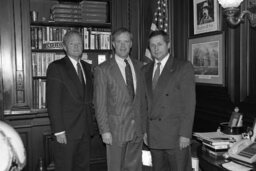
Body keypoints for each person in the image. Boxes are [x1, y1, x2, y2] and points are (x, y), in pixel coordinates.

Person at [94, 27, 147, 171]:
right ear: (113, 44)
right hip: (115, 132)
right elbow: (100, 104)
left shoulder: (141, 67)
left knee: (135, 168)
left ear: (131, 44)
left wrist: (145, 129)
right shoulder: (103, 69)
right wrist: (104, 130)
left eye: (126, 41)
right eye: (119, 42)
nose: (123, 45)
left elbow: (143, 102)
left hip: (137, 131)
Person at [143, 30, 196, 171]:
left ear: (168, 45)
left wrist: (185, 134)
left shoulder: (183, 67)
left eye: (159, 44)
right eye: (152, 45)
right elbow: (145, 105)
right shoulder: (145, 70)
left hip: (176, 137)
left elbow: (189, 104)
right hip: (153, 136)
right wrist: (145, 131)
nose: (155, 48)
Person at [46, 30, 93, 171]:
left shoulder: (87, 67)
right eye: (72, 43)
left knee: (83, 167)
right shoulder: (56, 67)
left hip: (85, 129)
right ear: (64, 47)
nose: (76, 46)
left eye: (79, 43)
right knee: (65, 167)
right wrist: (58, 131)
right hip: (66, 131)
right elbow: (53, 101)